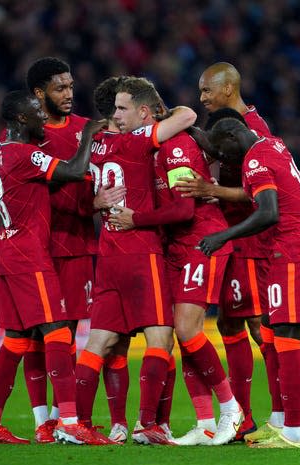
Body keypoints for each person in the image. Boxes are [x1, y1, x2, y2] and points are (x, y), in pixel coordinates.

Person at [0, 90, 111, 445]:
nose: (44, 118)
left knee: (16, 340)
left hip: (7, 251)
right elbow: (74, 170)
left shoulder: (1, 152)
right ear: (22, 120)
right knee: (57, 332)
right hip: (29, 255)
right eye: (37, 112)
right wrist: (87, 135)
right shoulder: (26, 155)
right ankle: (69, 422)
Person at [108, 109, 245, 446]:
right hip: (174, 247)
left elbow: (184, 210)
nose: (117, 116)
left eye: (123, 109)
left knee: (187, 328)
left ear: (144, 112)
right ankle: (204, 422)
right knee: (175, 334)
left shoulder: (176, 147)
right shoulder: (147, 151)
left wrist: (137, 219)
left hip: (202, 241)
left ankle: (231, 408)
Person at [74, 76, 196, 445]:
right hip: (141, 252)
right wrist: (159, 112)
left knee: (99, 343)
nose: (119, 114)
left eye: (122, 108)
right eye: (119, 108)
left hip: (107, 253)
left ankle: (77, 424)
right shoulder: (132, 142)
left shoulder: (92, 147)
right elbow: (188, 115)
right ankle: (148, 424)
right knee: (161, 339)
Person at [197, 118, 300, 449]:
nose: (224, 159)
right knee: (270, 330)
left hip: (293, 251)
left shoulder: (255, 159)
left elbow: (268, 212)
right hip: (297, 248)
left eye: (223, 151)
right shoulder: (273, 144)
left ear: (231, 136)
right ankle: (280, 421)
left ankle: (294, 433)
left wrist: (224, 234)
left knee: (285, 337)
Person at [175, 61, 274, 440]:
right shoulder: (228, 127)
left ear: (228, 90)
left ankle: (279, 414)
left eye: (206, 91)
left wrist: (213, 192)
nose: (202, 98)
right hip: (231, 238)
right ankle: (246, 417)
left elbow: (261, 193)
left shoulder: (254, 131)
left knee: (255, 325)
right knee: (232, 323)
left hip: (249, 240)